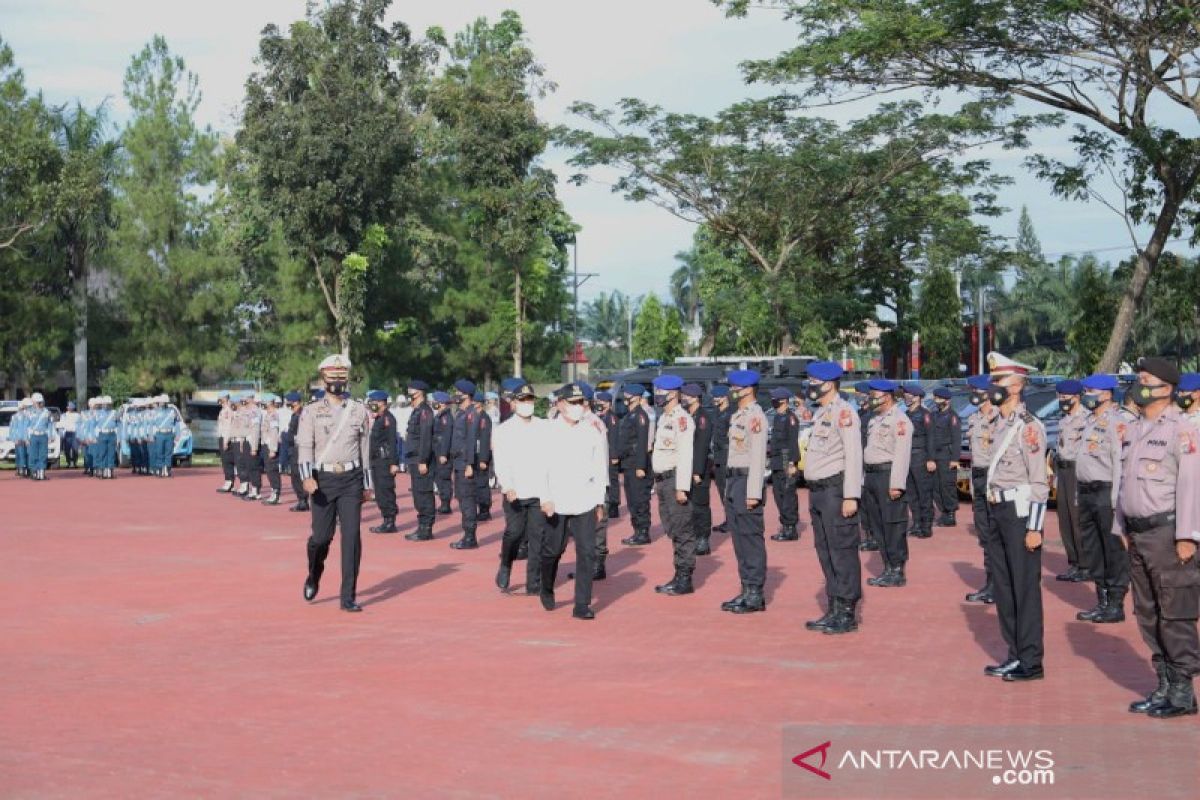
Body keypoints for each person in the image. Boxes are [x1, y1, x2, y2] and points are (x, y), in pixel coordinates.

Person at [1116, 357, 1200, 717]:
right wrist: (1119, 526)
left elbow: (1191, 487)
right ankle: (1163, 684)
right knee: (1147, 612)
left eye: (1146, 379)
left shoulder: (1183, 430)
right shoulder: (1133, 429)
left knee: (1175, 613)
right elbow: (1122, 484)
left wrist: (1187, 537)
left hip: (1167, 534)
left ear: (1166, 389)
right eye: (1139, 378)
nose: (1139, 384)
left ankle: (1183, 692)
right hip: (1137, 535)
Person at [980, 352, 1049, 683]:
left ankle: (1031, 661)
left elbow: (1039, 482)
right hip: (997, 510)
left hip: (1020, 515)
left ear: (1018, 385)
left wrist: (1035, 527)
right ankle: (1014, 652)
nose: (994, 386)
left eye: (1000, 381)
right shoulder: (998, 424)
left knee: (1024, 589)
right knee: (1004, 588)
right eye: (993, 380)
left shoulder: (1029, 427)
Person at [297, 354, 373, 613]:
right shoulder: (311, 411)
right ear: (323, 379)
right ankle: (314, 573)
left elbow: (365, 447)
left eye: (342, 376)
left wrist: (367, 483)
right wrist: (307, 477)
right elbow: (306, 446)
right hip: (322, 480)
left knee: (351, 537)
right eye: (333, 377)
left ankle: (348, 595)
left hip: (351, 479)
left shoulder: (359, 410)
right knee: (321, 538)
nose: (338, 381)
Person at [801, 362, 864, 634]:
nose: (810, 386)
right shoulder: (821, 414)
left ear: (829, 383)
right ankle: (834, 607)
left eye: (814, 381)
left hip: (836, 491)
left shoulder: (844, 413)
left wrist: (851, 495)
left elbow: (853, 456)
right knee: (825, 551)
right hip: (818, 492)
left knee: (842, 551)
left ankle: (847, 612)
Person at [539, 383, 609, 620]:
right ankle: (546, 586)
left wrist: (599, 501)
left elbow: (599, 469)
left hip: (585, 500)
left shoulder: (591, 431)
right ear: (560, 404)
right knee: (553, 549)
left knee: (587, 551)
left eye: (581, 403)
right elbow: (541, 469)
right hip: (557, 501)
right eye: (573, 403)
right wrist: (545, 497)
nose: (578, 407)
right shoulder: (548, 431)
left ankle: (582, 603)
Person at [1073, 374, 1131, 623]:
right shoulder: (1088, 420)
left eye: (1091, 391)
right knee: (1093, 548)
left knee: (1112, 549)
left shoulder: (1116, 423)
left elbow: (1119, 463)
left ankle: (1116, 603)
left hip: (1105, 492)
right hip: (1086, 491)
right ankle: (1102, 600)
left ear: (1106, 394)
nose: (1087, 395)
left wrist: (1116, 499)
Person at [492, 382, 549, 593]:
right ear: (514, 403)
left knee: (537, 537)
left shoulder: (544, 426)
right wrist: (507, 486)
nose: (527, 404)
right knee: (514, 533)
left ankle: (533, 581)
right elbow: (501, 461)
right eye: (522, 400)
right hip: (514, 491)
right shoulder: (504, 430)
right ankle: (506, 564)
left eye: (530, 400)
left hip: (539, 491)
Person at [721, 370, 770, 614]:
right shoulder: (738, 415)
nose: (731, 391)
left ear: (748, 389)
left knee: (750, 540)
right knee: (739, 540)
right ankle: (745, 589)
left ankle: (755, 594)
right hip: (734, 482)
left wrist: (754, 493)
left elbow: (759, 456)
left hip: (747, 483)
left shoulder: (755, 417)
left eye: (735, 387)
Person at [649, 375, 697, 595]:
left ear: (672, 393)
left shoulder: (682, 419)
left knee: (682, 531)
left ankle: (684, 578)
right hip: (663, 481)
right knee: (672, 529)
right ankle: (678, 575)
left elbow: (685, 454)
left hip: (675, 480)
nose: (657, 395)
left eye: (660, 391)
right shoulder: (664, 417)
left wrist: (682, 487)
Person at [862, 380, 913, 587]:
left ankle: (897, 569)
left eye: (875, 395)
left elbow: (902, 454)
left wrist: (897, 484)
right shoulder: (875, 419)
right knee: (878, 524)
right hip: (873, 476)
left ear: (887, 396)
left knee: (893, 525)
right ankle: (887, 567)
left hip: (888, 476)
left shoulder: (900, 420)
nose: (871, 399)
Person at [964, 375, 998, 604]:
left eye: (976, 391)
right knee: (984, 532)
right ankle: (991, 582)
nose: (973, 394)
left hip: (993, 476)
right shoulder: (974, 417)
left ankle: (997, 584)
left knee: (995, 532)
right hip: (977, 475)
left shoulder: (998, 418)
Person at [1053, 379, 1088, 581]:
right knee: (1064, 518)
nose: (1062, 401)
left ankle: (1086, 565)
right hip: (1063, 470)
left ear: (1077, 397)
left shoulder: (1085, 419)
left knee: (1077, 518)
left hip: (1078, 470)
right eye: (1061, 397)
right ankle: (1073, 562)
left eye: (1066, 397)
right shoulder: (1063, 419)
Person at [448, 379, 486, 550]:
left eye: (458, 392)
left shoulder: (471, 414)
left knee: (467, 499)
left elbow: (471, 441)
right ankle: (468, 534)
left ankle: (470, 536)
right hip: (458, 461)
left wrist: (470, 464)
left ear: (466, 394)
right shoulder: (461, 413)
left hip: (465, 462)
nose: (455, 395)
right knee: (462, 498)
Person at [618, 384, 654, 546]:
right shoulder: (630, 415)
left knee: (639, 499)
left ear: (637, 397)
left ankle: (643, 532)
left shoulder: (640, 416)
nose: (625, 397)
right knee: (632, 499)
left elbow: (641, 443)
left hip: (636, 463)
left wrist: (641, 466)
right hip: (628, 463)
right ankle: (637, 530)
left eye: (628, 394)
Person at [682, 383, 715, 557]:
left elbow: (702, 447)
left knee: (701, 505)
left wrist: (697, 472)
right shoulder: (689, 416)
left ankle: (703, 539)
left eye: (686, 396)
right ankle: (694, 536)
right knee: (690, 505)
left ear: (695, 398)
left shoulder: (702, 418)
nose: (683, 399)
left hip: (698, 469)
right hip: (688, 468)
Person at [403, 380, 437, 541]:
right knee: (418, 494)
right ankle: (422, 526)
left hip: (420, 459)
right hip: (414, 458)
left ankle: (426, 528)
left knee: (424, 493)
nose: (409, 391)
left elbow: (426, 438)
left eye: (412, 389)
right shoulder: (417, 410)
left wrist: (423, 460)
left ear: (420, 392)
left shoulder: (425, 411)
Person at [767, 387, 801, 542]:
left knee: (788, 495)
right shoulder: (776, 417)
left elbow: (793, 442)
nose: (773, 401)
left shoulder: (791, 418)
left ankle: (790, 528)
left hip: (786, 459)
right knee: (778, 494)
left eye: (776, 399)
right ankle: (785, 524)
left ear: (784, 401)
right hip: (776, 461)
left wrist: (793, 463)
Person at [901, 384, 934, 539]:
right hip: (907, 457)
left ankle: (926, 526)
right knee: (911, 493)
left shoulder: (925, 414)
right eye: (905, 394)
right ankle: (916, 523)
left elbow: (931, 437)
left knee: (924, 493)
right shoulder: (905, 414)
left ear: (917, 397)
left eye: (909, 394)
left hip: (921, 456)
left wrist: (930, 458)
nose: (906, 397)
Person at [367, 390, 401, 533]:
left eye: (374, 402)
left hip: (385, 460)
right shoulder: (379, 418)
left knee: (386, 490)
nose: (372, 405)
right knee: (380, 492)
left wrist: (394, 463)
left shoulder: (388, 419)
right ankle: (385, 519)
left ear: (382, 403)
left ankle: (390, 522)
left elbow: (393, 442)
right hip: (376, 460)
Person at [929, 387, 961, 527]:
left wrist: (955, 459)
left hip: (947, 455)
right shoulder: (934, 415)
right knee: (936, 486)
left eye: (939, 399)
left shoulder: (952, 416)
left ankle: (950, 513)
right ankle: (943, 512)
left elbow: (956, 439)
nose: (936, 401)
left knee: (947, 485)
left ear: (947, 400)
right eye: (935, 398)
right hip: (935, 455)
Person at [855, 381, 880, 552]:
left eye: (860, 393)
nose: (857, 396)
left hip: (870, 462)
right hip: (859, 462)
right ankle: (868, 535)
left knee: (872, 503)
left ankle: (875, 537)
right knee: (863, 502)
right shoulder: (859, 414)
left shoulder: (873, 415)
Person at [595, 391, 622, 519]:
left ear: (608, 403)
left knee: (612, 481)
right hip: (603, 454)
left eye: (602, 402)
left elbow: (614, 438)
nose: (599, 404)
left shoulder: (611, 418)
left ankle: (614, 505)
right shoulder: (601, 417)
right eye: (598, 402)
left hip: (611, 454)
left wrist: (614, 455)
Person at [710, 385, 732, 537]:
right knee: (721, 489)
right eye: (714, 397)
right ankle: (728, 519)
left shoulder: (730, 414)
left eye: (717, 397)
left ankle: (732, 520)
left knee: (728, 490)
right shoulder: (718, 413)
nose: (715, 400)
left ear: (725, 397)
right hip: (718, 456)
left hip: (727, 456)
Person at [284, 392, 310, 511]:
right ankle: (301, 500)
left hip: (300, 448)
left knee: (299, 475)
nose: (289, 405)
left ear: (296, 402)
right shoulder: (295, 414)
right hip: (293, 449)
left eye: (290, 403)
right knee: (294, 476)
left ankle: (304, 500)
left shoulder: (302, 414)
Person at [432, 391, 455, 516]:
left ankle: (446, 504)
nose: (434, 403)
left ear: (442, 403)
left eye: (436, 401)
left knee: (444, 477)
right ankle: (443, 502)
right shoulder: (440, 415)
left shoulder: (446, 417)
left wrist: (444, 454)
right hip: (437, 449)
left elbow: (446, 437)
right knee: (439, 477)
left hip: (442, 451)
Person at [473, 390, 495, 521]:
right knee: (476, 484)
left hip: (482, 454)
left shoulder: (484, 418)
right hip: (475, 454)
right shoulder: (476, 417)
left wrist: (483, 458)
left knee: (482, 484)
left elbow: (485, 439)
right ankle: (481, 508)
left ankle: (485, 509)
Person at [258, 394, 283, 503]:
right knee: (268, 470)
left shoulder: (273, 415)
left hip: (270, 446)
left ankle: (276, 494)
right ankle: (273, 492)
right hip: (266, 445)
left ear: (270, 403)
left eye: (264, 402)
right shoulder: (268, 415)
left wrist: (273, 449)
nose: (263, 405)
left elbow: (274, 433)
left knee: (272, 470)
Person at [26, 393, 53, 480]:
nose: (39, 403)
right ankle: (34, 473)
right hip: (33, 435)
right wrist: (26, 438)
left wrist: (51, 436)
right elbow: (26, 426)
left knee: (43, 455)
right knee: (33, 455)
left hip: (43, 435)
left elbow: (50, 425)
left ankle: (41, 473)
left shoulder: (47, 412)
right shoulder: (29, 412)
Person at [216, 391, 237, 493]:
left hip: (226, 438)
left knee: (227, 461)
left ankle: (229, 481)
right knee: (225, 461)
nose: (219, 400)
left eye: (220, 398)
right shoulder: (223, 409)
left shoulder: (228, 410)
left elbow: (228, 426)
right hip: (222, 437)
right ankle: (228, 481)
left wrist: (226, 440)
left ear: (225, 398)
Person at [60, 401, 80, 469]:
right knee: (67, 450)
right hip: (67, 433)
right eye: (69, 407)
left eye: (71, 407)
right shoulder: (63, 415)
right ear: (67, 408)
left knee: (75, 449)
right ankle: (68, 462)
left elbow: (79, 424)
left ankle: (74, 463)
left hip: (74, 433)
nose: (70, 408)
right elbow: (61, 425)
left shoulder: (77, 415)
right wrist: (62, 434)